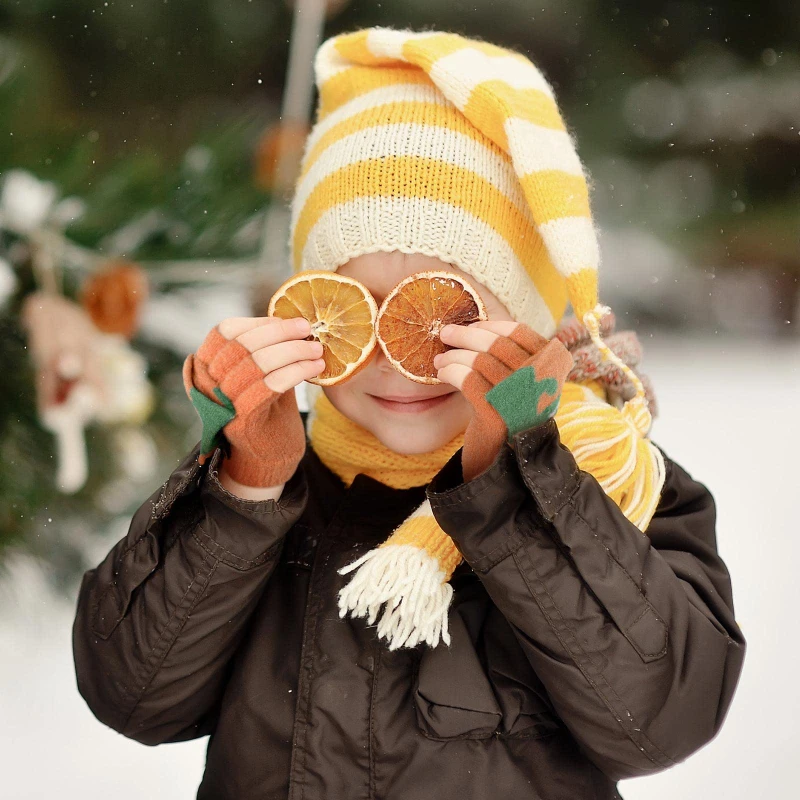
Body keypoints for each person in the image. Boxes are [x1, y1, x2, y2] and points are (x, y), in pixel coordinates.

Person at [72, 27, 746, 800]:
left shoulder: (614, 487)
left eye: (442, 315)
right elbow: (132, 694)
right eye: (359, 310)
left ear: (521, 316)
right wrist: (243, 489)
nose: (396, 358)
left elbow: (661, 719)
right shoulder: (273, 484)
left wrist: (517, 483)